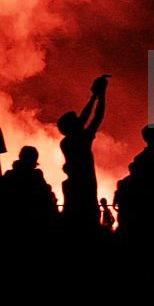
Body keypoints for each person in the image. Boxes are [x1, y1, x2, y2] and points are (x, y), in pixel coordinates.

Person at [57, 74, 109, 229]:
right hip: (85, 192)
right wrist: (101, 95)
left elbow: (83, 119)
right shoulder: (79, 140)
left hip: (74, 191)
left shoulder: (67, 142)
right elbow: (96, 117)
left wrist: (94, 96)